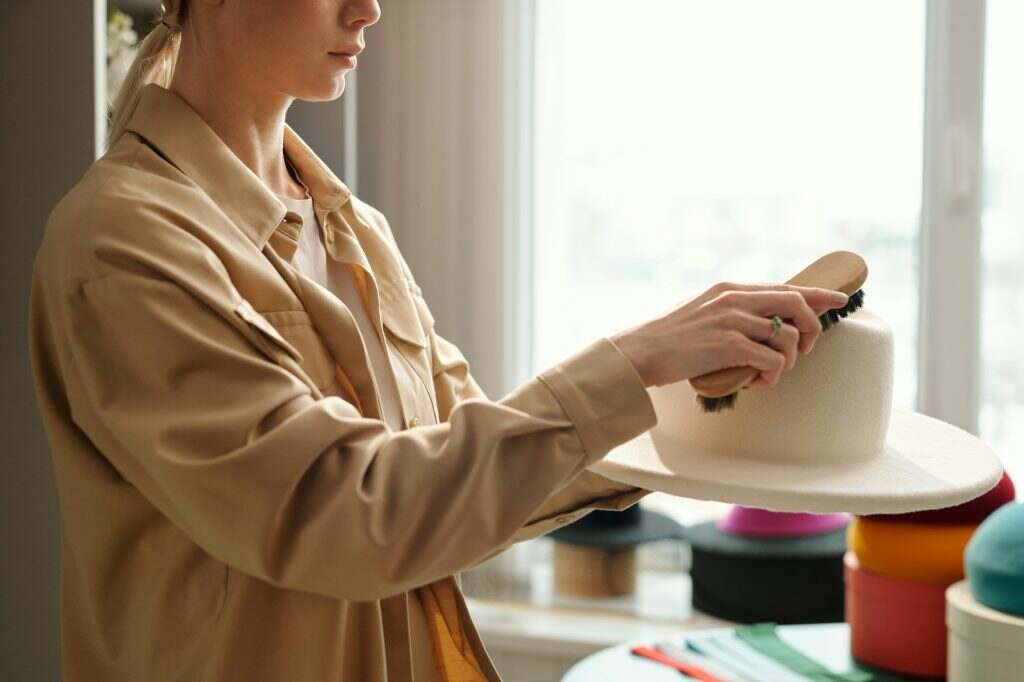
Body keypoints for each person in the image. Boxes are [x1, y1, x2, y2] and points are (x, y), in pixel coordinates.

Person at [26, 1, 849, 680]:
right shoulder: (122, 245)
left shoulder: (355, 231)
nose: (370, 10)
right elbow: (345, 514)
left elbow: (461, 477)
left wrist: (681, 387)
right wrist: (633, 361)